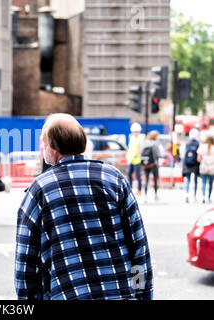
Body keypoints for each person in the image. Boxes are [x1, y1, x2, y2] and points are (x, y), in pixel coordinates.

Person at [15, 113, 153, 300]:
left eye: (44, 143)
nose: (42, 148)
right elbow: (138, 246)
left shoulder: (39, 190)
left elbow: (26, 264)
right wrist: (143, 294)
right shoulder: (113, 178)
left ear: (54, 147)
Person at [141, 130, 165, 201]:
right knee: (155, 179)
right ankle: (155, 195)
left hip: (146, 164)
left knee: (146, 179)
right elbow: (158, 154)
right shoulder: (155, 144)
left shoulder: (145, 143)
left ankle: (145, 196)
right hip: (154, 164)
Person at [126, 122, 145, 195]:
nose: (135, 133)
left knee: (138, 176)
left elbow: (140, 148)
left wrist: (135, 155)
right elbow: (130, 148)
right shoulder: (131, 137)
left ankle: (139, 190)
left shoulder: (141, 137)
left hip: (137, 159)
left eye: (136, 131)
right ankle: (129, 189)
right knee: (129, 174)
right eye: (134, 131)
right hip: (130, 159)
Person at [183, 129, 200, 203]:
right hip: (195, 163)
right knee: (195, 180)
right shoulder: (198, 143)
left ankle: (186, 194)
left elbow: (183, 153)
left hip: (187, 163)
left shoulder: (186, 143)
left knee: (188, 180)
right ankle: (195, 196)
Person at [197, 136, 214, 204]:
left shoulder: (202, 147)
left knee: (203, 182)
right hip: (212, 168)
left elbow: (198, 159)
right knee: (210, 184)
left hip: (203, 167)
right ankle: (209, 197)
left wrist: (203, 162)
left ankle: (203, 196)